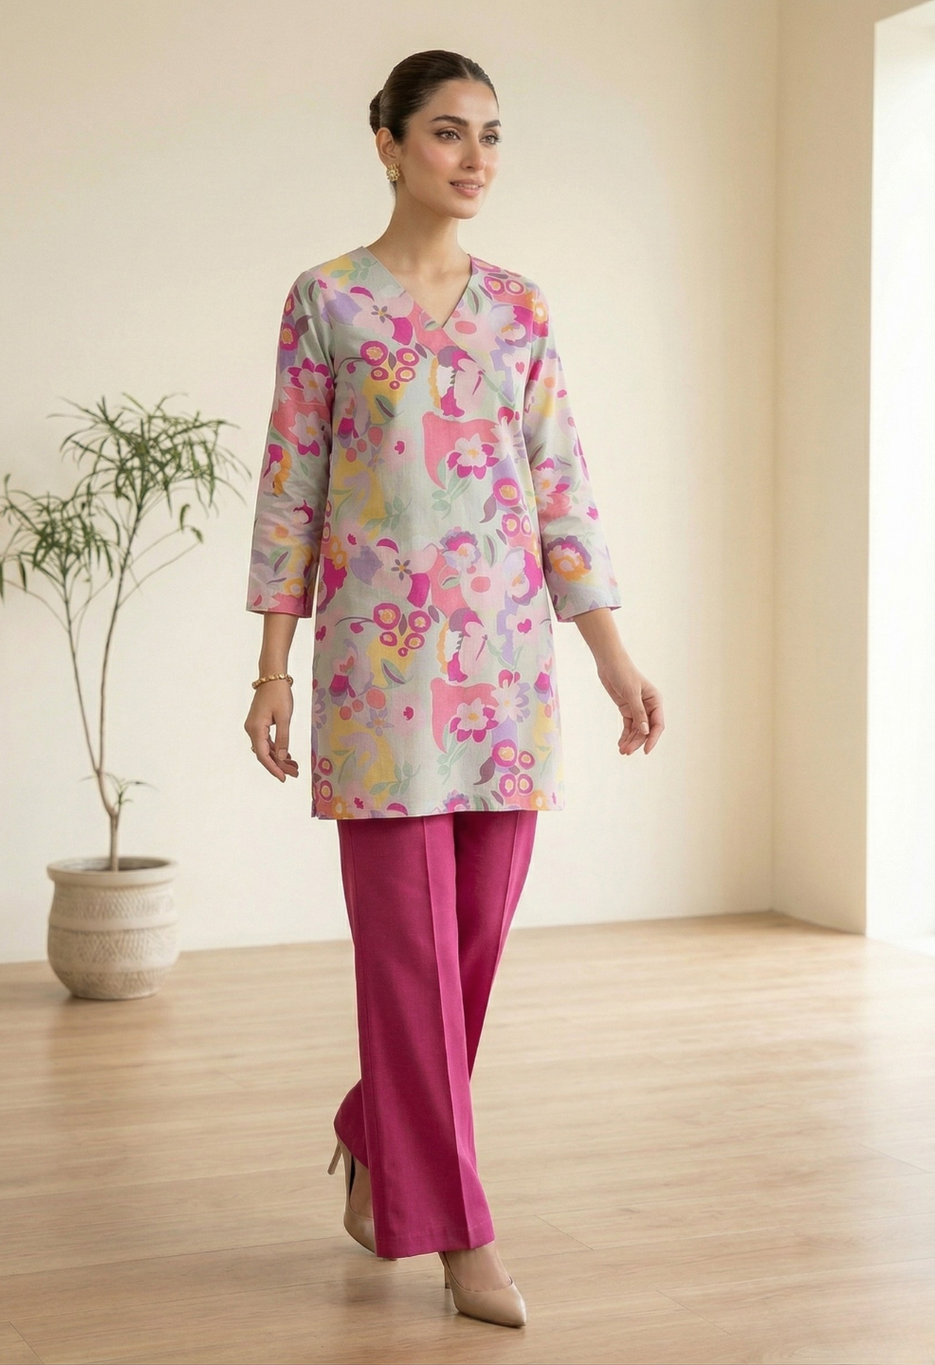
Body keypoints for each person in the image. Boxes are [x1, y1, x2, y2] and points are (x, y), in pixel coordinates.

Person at [243, 49, 664, 1329]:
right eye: (445, 132)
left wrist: (611, 658)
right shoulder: (326, 301)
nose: (474, 157)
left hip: (504, 674)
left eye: (489, 134)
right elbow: (291, 488)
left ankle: (375, 1132)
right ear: (386, 143)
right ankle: (460, 1236)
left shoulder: (518, 309)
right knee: (409, 961)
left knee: (467, 949)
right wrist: (270, 668)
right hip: (375, 680)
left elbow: (560, 488)